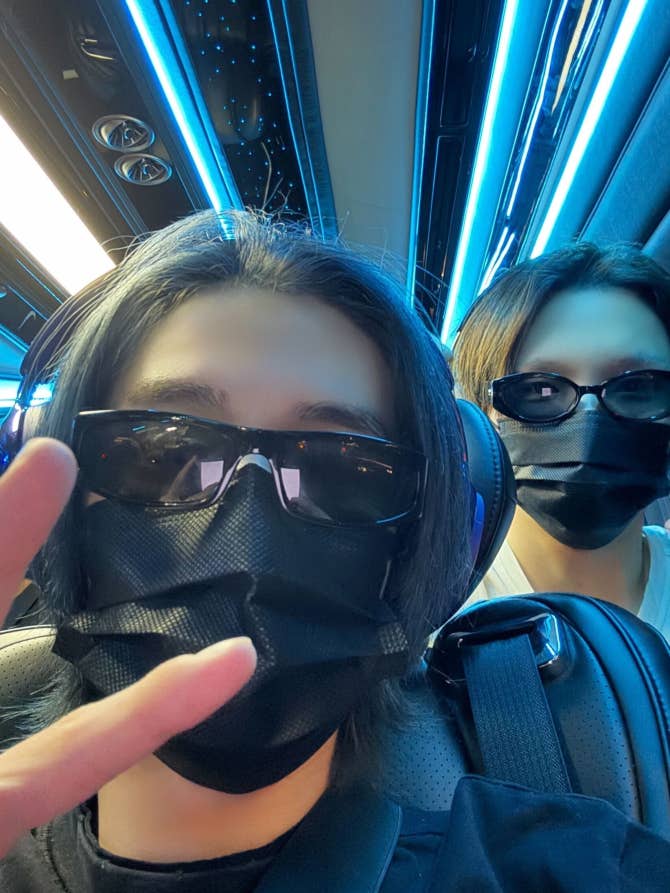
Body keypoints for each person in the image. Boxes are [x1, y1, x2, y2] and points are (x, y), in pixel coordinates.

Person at [0, 214, 668, 891]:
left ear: (420, 552)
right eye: (163, 452)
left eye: (341, 469)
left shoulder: (573, 868)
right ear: (60, 517)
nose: (247, 532)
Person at [453, 243, 670, 639]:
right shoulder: (426, 615)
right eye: (540, 390)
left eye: (637, 387)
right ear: (484, 418)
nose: (589, 424)